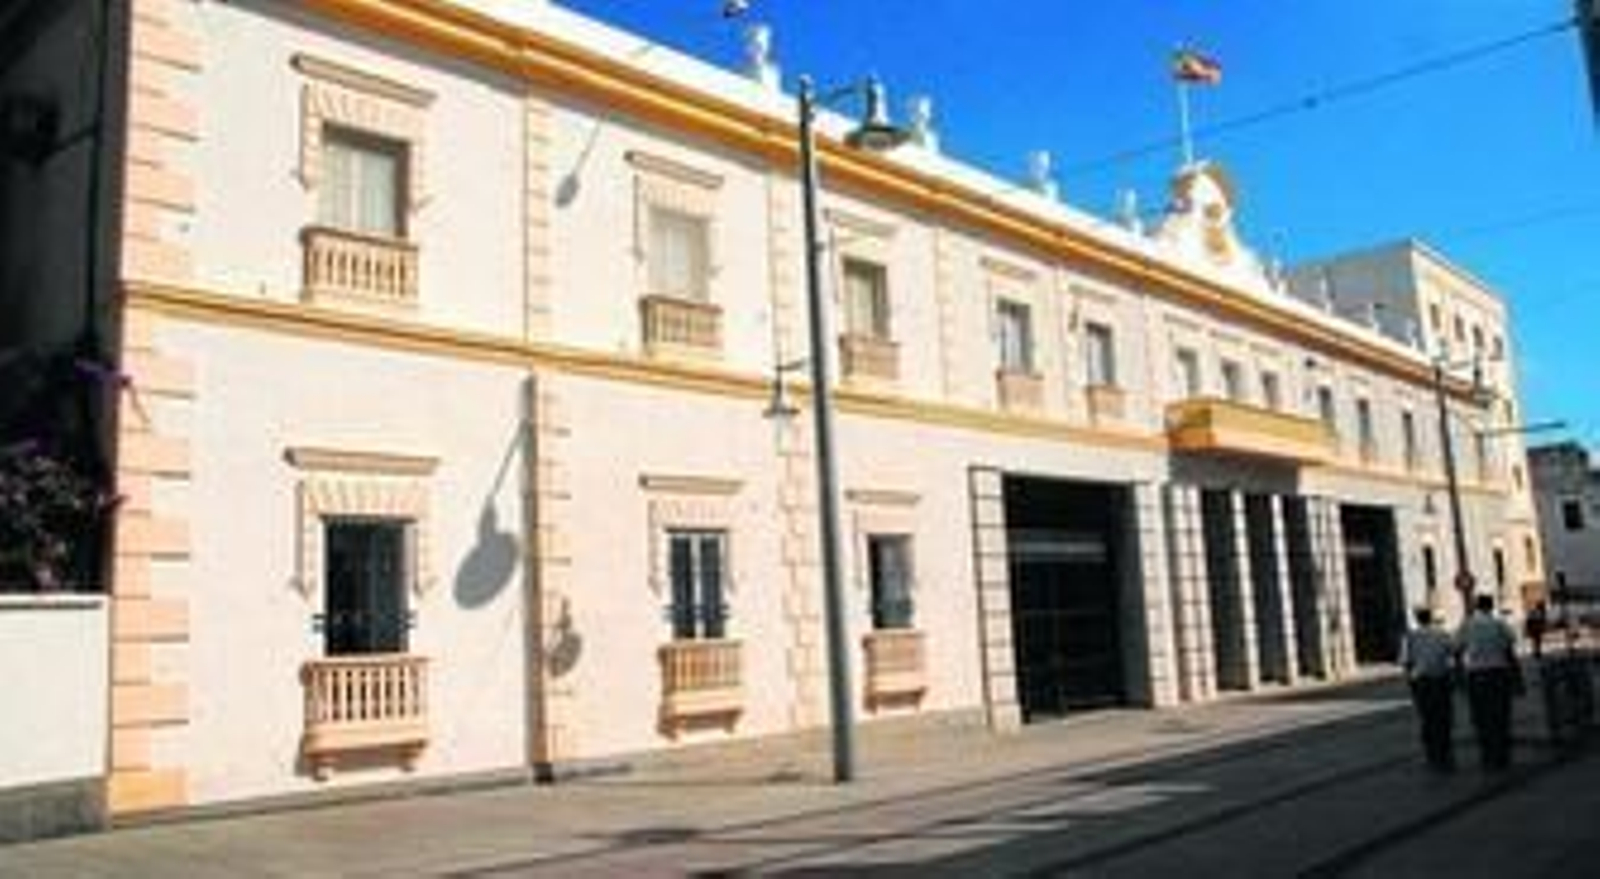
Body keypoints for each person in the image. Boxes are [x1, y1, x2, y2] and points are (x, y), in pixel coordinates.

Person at [1458, 593, 1521, 770]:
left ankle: (1487, 755)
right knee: (1501, 715)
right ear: (1491, 606)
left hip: (1476, 675)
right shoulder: (1500, 624)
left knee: (1481, 717)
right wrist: (1517, 678)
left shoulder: (1467, 624)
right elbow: (1510, 650)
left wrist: (1460, 678)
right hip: (1498, 673)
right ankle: (1502, 754)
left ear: (1477, 606)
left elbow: (1458, 649)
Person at [1399, 607, 1458, 772]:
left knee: (1427, 718)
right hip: (1440, 681)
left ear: (1418, 619)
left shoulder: (1410, 636)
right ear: (1430, 618)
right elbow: (1454, 652)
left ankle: (1433, 755)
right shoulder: (1442, 634)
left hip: (1421, 683)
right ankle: (1446, 753)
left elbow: (1405, 661)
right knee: (1444, 718)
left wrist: (1410, 682)